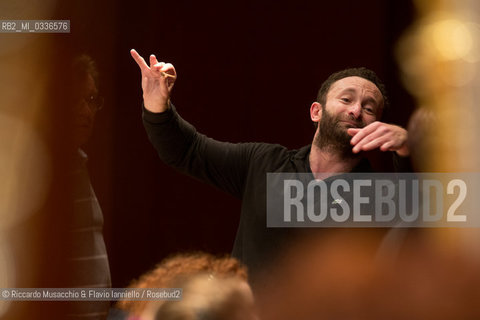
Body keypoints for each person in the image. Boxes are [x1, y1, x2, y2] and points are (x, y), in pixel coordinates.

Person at [130, 49, 409, 284]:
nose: (356, 111)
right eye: (346, 99)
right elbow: (186, 150)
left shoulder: (378, 194)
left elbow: (430, 220)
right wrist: (157, 105)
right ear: (316, 111)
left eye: (369, 108)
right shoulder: (264, 164)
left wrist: (408, 150)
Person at [66, 54, 111, 319]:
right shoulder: (42, 172)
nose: (86, 112)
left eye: (91, 100)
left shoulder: (77, 162)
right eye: (75, 100)